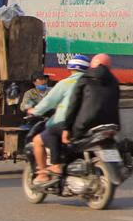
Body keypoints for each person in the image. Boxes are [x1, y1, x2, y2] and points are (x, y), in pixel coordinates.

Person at [30, 56, 90, 187]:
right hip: (89, 125)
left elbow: (48, 102)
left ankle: (44, 173)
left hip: (67, 124)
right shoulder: (94, 83)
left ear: (69, 69)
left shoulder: (65, 84)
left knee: (38, 140)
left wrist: (34, 111)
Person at [62, 54, 121, 145]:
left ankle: (56, 160)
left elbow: (73, 104)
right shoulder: (114, 82)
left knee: (54, 134)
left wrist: (66, 128)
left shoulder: (85, 79)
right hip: (112, 125)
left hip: (85, 124)